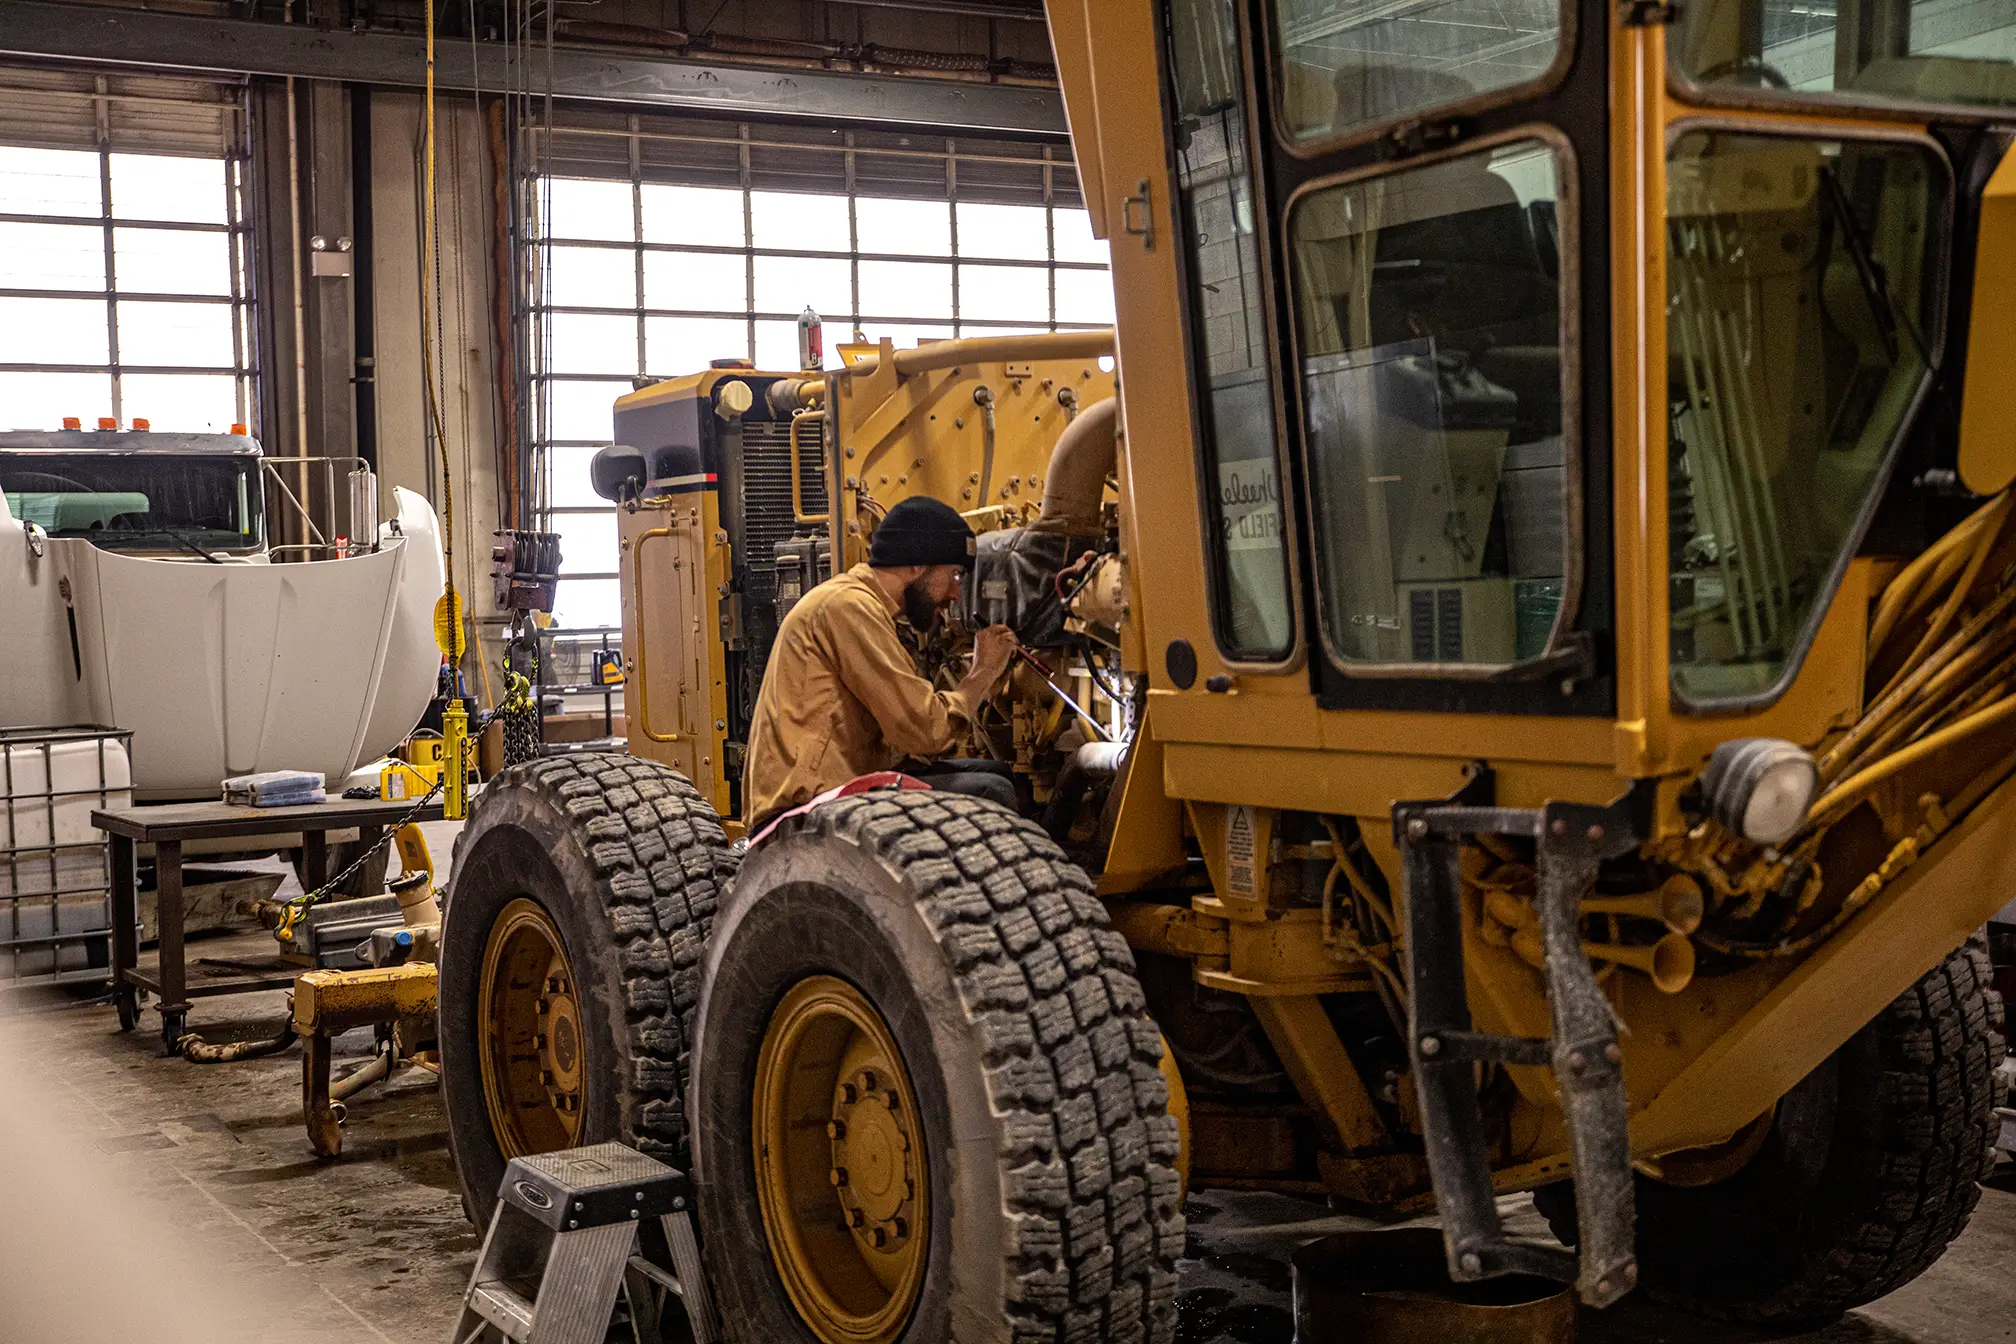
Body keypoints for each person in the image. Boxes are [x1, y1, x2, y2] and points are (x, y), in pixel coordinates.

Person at [742, 495, 1020, 828]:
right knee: (991, 793)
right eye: (954, 575)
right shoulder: (848, 607)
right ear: (917, 565)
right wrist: (982, 673)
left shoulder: (865, 607)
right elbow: (923, 731)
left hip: (841, 789)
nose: (956, 594)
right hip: (807, 810)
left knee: (999, 775)